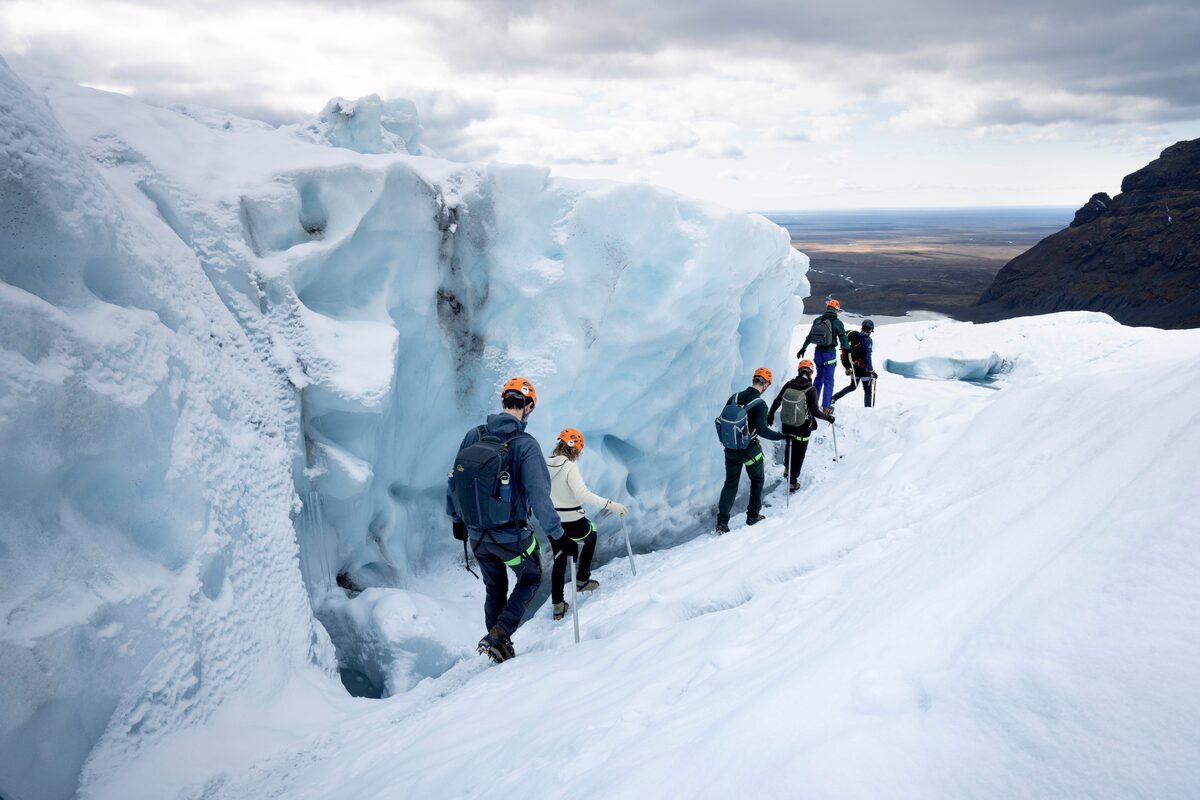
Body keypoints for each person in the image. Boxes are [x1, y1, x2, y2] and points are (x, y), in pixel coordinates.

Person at [447, 377, 565, 663]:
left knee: (495, 587)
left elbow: (454, 481)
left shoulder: (474, 435)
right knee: (531, 576)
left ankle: (495, 642)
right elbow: (539, 495)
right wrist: (557, 534)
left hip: (477, 538)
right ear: (529, 407)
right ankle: (499, 636)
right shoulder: (525, 445)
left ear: (503, 402)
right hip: (512, 538)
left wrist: (456, 520)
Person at [545, 428, 629, 620]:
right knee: (591, 534)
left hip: (552, 522)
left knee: (559, 559)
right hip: (573, 521)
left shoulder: (545, 463)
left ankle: (557, 605)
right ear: (574, 449)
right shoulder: (569, 467)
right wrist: (612, 505)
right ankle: (582, 579)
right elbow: (583, 495)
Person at [716, 367, 784, 534]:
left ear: (754, 380)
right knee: (757, 480)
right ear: (766, 384)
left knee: (730, 484)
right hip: (750, 451)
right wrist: (781, 436)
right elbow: (762, 430)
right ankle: (753, 515)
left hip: (730, 449)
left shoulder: (735, 396)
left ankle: (722, 523)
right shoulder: (760, 405)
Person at [767, 359, 835, 493]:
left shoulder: (789, 384)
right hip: (802, 427)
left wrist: (770, 414)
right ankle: (792, 482)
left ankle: (787, 469)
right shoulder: (811, 389)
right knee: (799, 453)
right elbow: (815, 411)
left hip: (787, 424)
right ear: (810, 373)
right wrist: (828, 418)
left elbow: (778, 400)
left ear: (799, 371)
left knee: (789, 444)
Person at [798, 299, 852, 412]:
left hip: (818, 354)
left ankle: (813, 404)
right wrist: (847, 350)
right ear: (836, 309)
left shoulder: (817, 320)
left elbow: (809, 337)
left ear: (827, 308)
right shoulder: (837, 322)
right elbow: (843, 339)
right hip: (829, 355)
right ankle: (826, 407)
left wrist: (803, 348)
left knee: (819, 378)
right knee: (828, 380)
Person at [832, 319, 878, 407]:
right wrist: (871, 370)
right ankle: (867, 409)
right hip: (864, 370)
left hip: (854, 368)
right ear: (870, 329)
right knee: (867, 390)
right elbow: (868, 357)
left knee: (852, 387)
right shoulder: (868, 340)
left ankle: (834, 398)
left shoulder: (855, 337)